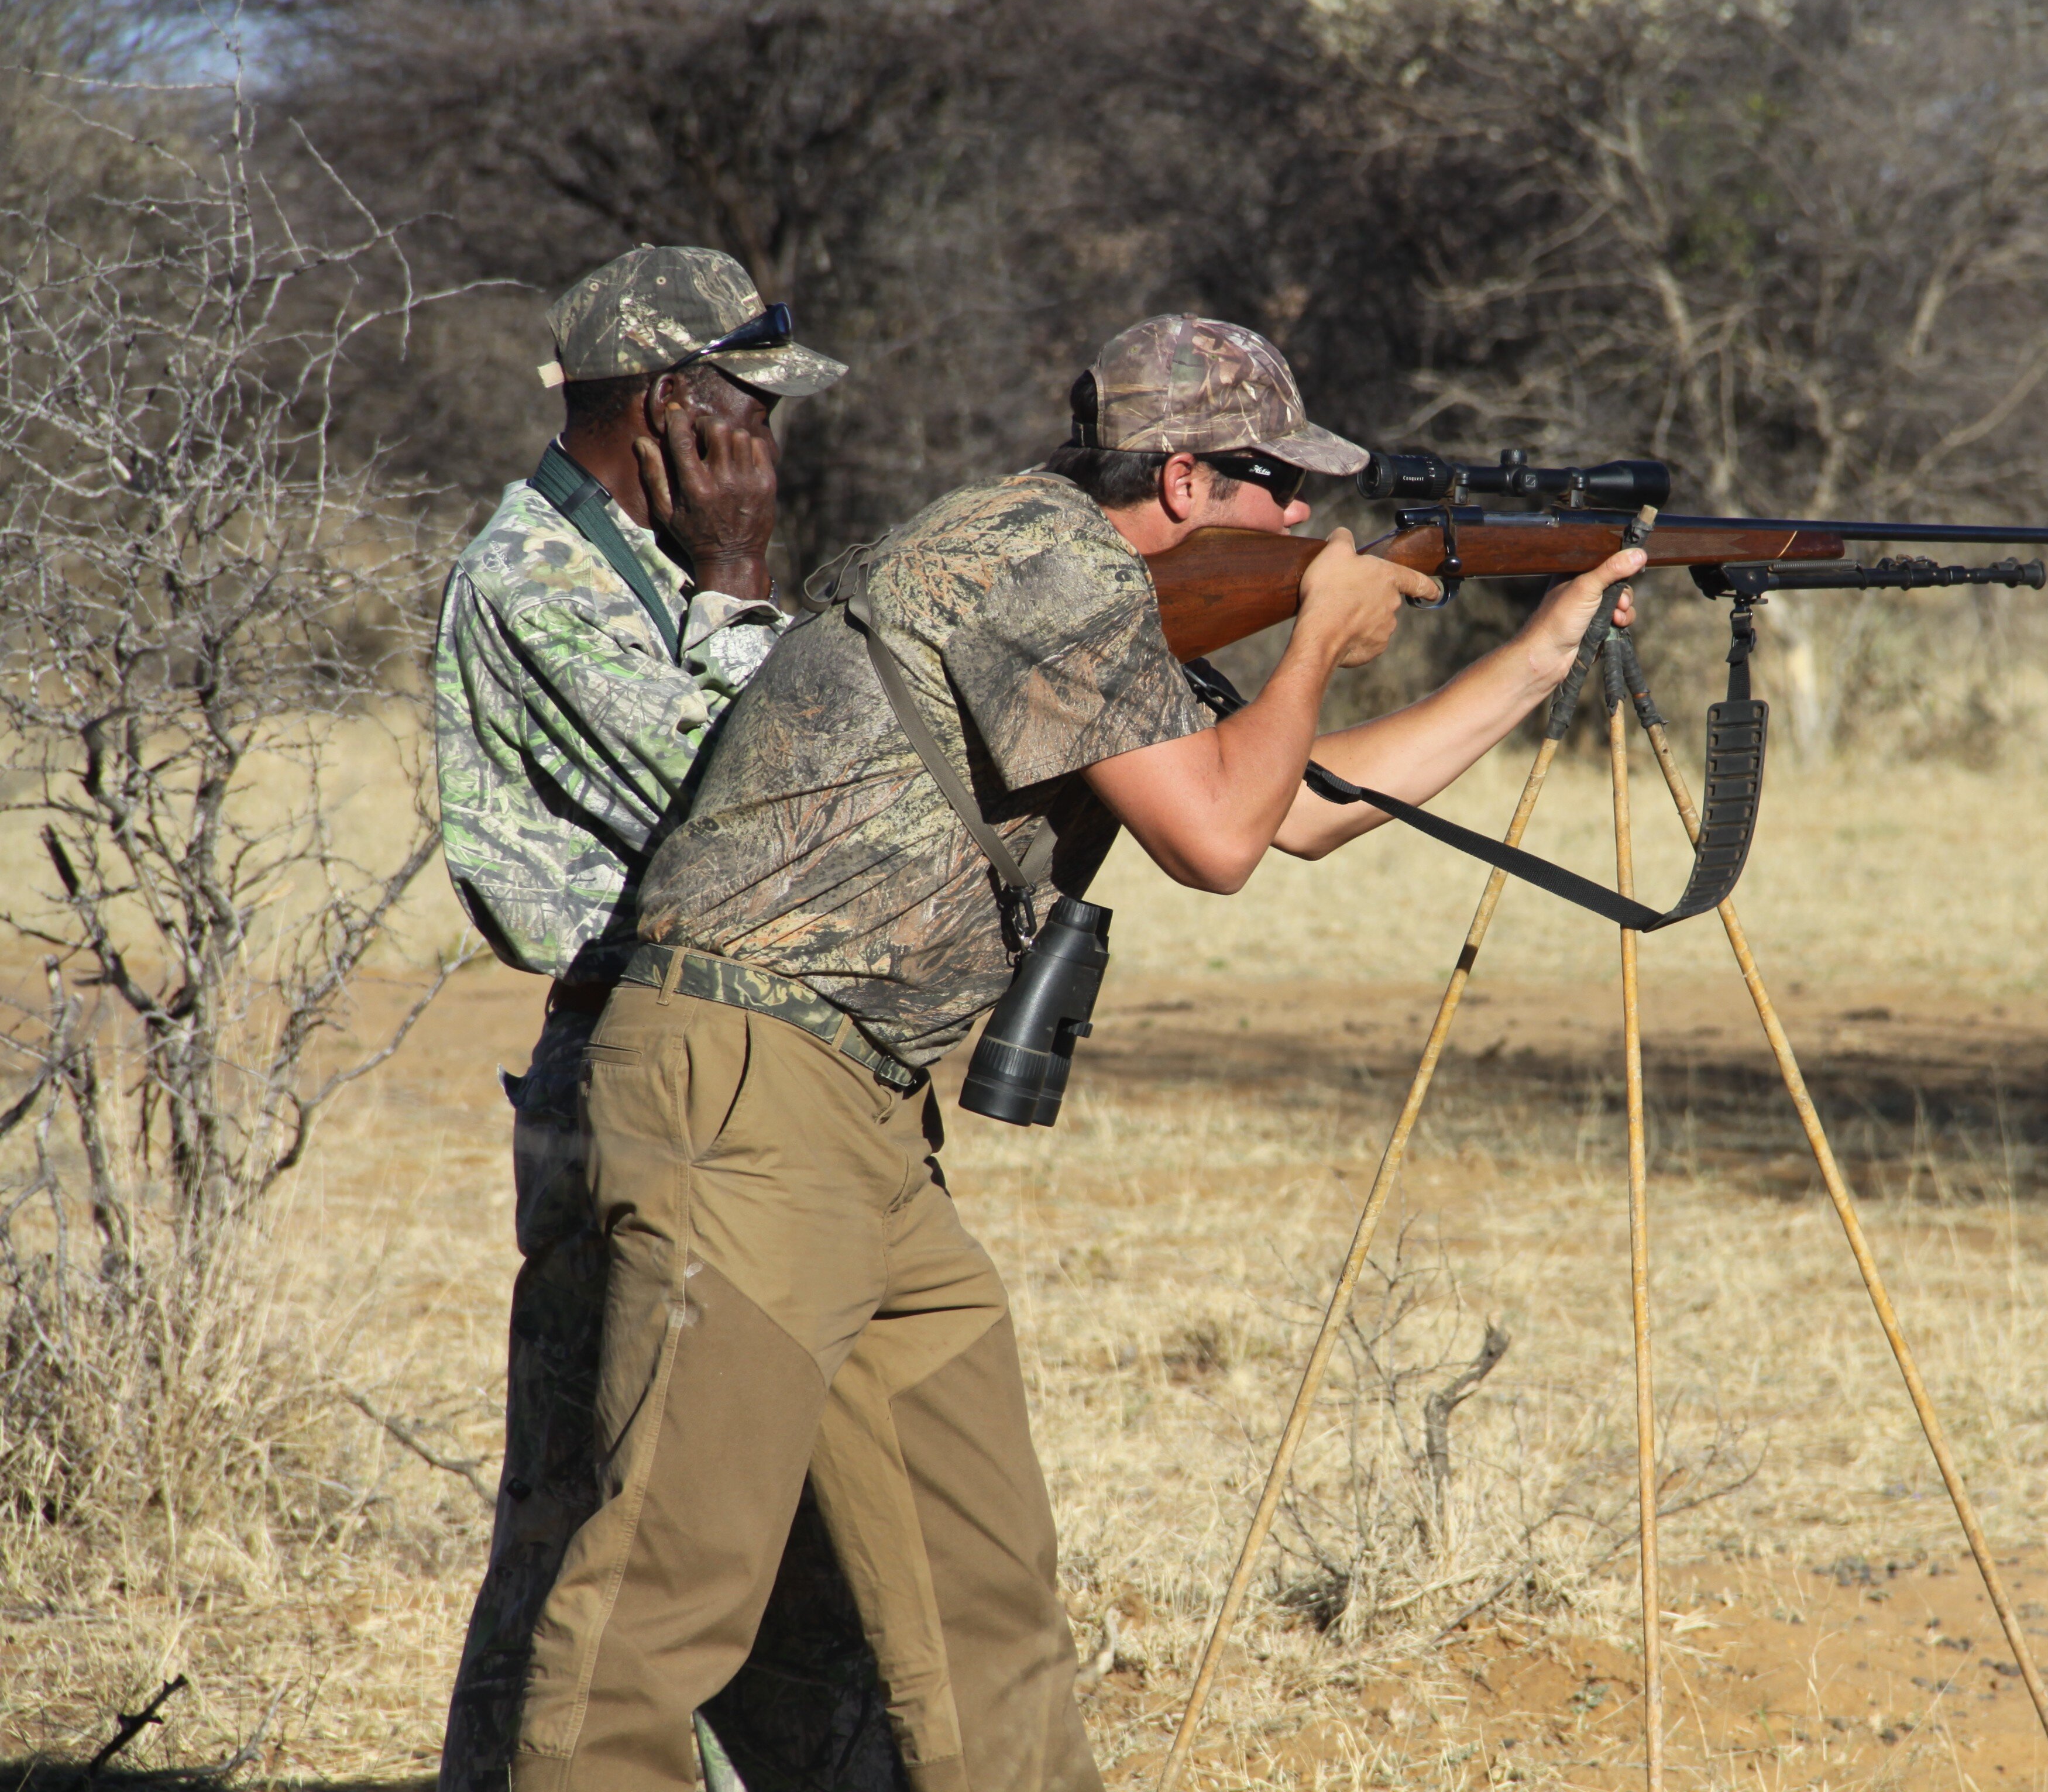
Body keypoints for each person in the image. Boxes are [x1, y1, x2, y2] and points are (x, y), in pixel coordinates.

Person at [505, 314, 1645, 1792]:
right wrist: (1314, 639)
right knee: (664, 1599)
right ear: (1180, 481)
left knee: (982, 1602)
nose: (1302, 518)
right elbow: (1222, 840)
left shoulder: (1093, 588)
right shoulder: (1040, 564)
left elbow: (1294, 802)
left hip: (859, 1117)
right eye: (1273, 487)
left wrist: (1539, 655)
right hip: (745, 1084)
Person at [431, 245, 900, 1792]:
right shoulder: (535, 578)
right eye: (745, 404)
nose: (767, 436)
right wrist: (749, 574)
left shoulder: (651, 566)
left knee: (760, 1540)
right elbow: (758, 806)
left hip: (743, 1075)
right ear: (662, 410)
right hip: (641, 1081)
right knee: (601, 1543)